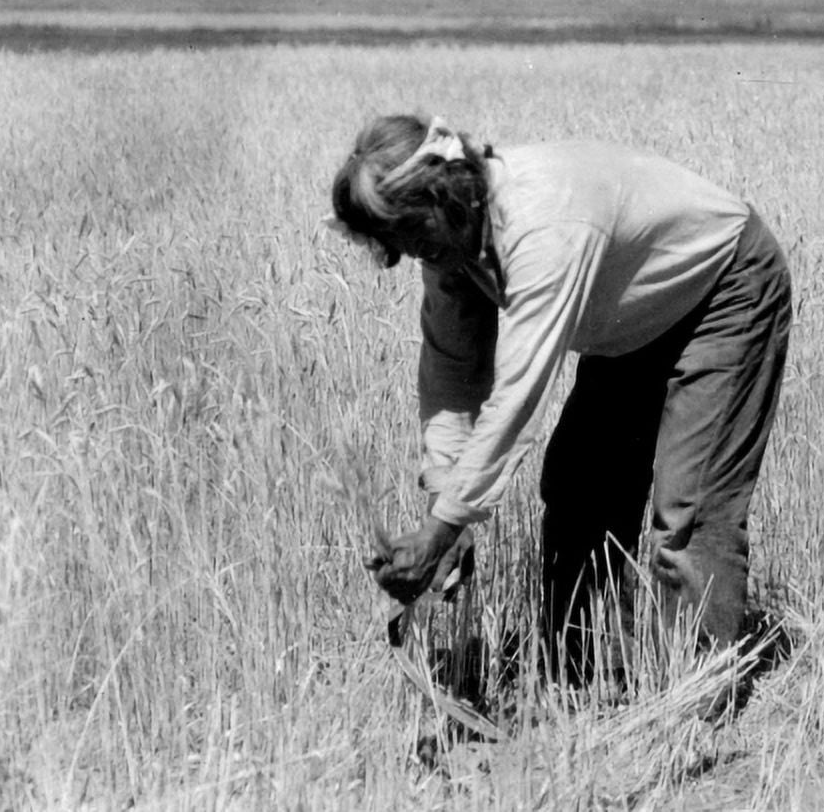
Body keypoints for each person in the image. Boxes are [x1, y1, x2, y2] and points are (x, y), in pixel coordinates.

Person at [327, 114, 792, 677]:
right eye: (402, 249)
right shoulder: (448, 238)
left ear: (444, 197)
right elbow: (451, 370)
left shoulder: (541, 226)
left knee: (689, 514)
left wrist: (445, 526)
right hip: (633, 310)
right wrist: (444, 501)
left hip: (724, 288)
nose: (416, 258)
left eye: (418, 241)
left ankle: (695, 705)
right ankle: (585, 677)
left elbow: (518, 398)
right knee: (579, 487)